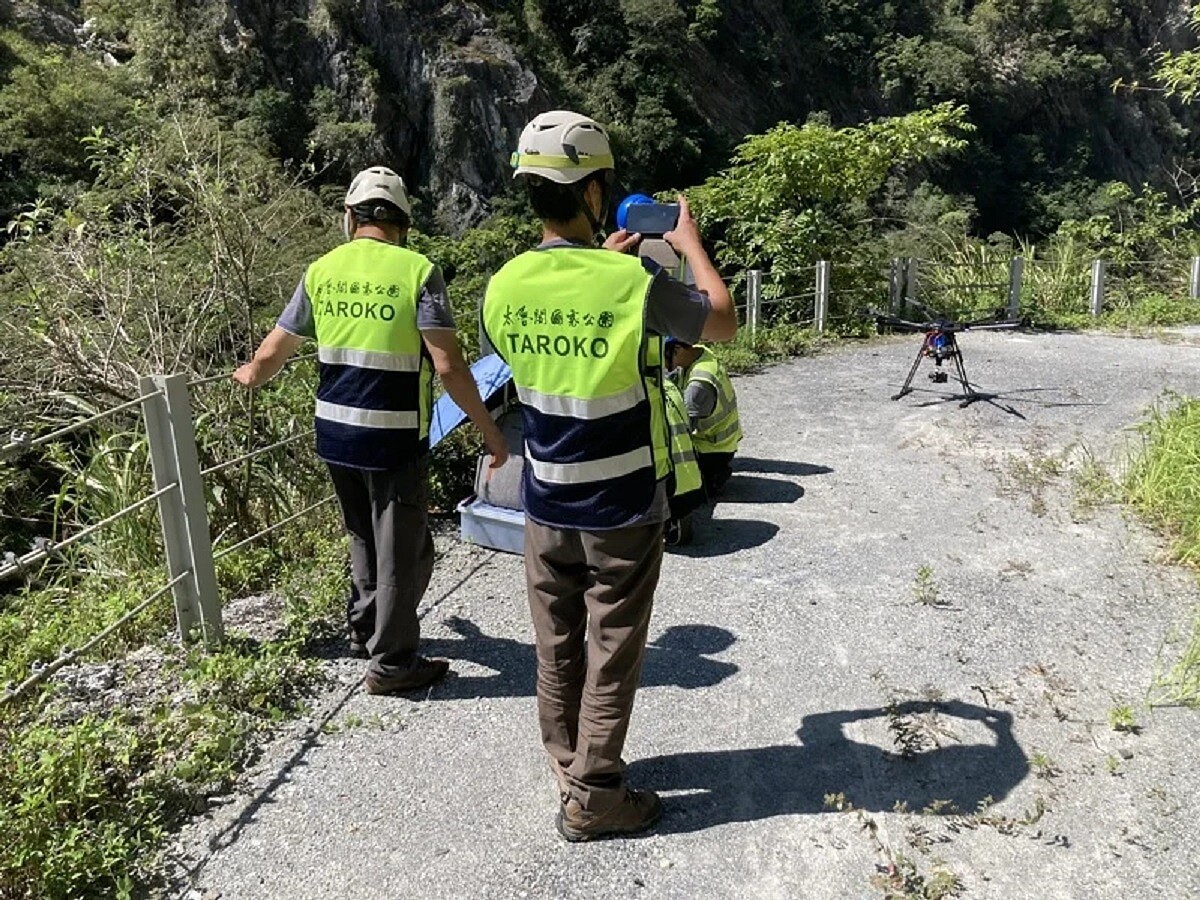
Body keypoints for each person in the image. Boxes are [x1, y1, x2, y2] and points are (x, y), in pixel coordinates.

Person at [480, 110, 736, 841]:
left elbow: (540, 355)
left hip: (544, 499)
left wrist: (605, 266)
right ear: (596, 192)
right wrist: (684, 243)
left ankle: (569, 766)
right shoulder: (634, 282)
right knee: (612, 643)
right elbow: (719, 320)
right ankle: (596, 795)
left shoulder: (501, 286)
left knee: (556, 642)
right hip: (621, 503)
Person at [233, 165, 507, 695]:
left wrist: (247, 376)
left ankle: (366, 632)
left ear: (349, 217)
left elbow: (274, 352)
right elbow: (448, 365)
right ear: (403, 222)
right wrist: (490, 433)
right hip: (394, 437)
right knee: (404, 550)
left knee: (364, 534)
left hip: (335, 433)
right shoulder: (418, 271)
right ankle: (393, 662)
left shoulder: (321, 271)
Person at [666, 338, 741, 497]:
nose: (664, 364)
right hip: (723, 443)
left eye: (664, 356)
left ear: (678, 349)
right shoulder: (700, 352)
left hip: (711, 450)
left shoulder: (698, 387)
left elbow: (684, 430)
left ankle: (710, 478)